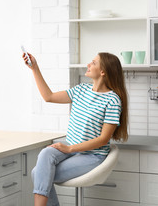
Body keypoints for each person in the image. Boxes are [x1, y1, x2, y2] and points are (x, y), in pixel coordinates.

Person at [22, 52, 128, 206]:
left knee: (37, 173)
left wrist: (70, 148)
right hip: (70, 150)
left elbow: (103, 139)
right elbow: (49, 96)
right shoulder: (81, 90)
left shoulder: (113, 100)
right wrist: (35, 68)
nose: (88, 65)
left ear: (103, 71)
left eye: (93, 62)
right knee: (45, 154)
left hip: (92, 155)